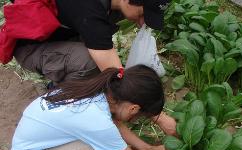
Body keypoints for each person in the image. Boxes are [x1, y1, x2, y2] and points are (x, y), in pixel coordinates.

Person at [12, 0, 176, 136]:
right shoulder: (88, 8)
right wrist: (159, 117)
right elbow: (119, 79)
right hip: (31, 48)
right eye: (142, 14)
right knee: (91, 63)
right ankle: (60, 98)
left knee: (102, 66)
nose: (142, 22)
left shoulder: (107, 6)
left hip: (63, 35)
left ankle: (69, 76)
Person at [11, 65, 168, 150]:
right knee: (101, 147)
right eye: (137, 116)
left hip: (30, 137)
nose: (133, 119)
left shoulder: (100, 89)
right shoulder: (99, 122)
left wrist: (144, 146)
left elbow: (115, 124)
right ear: (133, 108)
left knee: (106, 140)